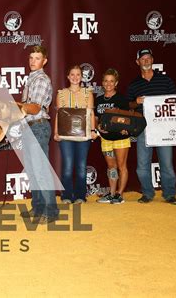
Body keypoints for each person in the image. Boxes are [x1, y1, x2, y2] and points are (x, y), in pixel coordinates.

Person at [127, 48, 176, 205]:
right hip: (143, 129)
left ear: (152, 60)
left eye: (148, 58)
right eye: (142, 59)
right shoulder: (134, 85)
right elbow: (127, 106)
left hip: (164, 128)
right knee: (142, 165)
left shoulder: (165, 80)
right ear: (137, 62)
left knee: (167, 164)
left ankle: (170, 194)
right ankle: (147, 193)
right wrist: (135, 102)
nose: (146, 61)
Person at [19, 45, 58, 224]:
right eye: (31, 58)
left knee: (40, 170)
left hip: (38, 126)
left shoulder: (41, 79)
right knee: (33, 171)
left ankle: (51, 210)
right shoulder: (31, 79)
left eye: (37, 58)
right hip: (29, 127)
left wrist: (14, 107)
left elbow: (34, 108)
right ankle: (38, 207)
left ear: (44, 61)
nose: (33, 61)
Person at [54, 65, 98, 204]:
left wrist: (92, 130)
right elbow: (59, 115)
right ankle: (66, 195)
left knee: (81, 167)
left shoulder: (88, 93)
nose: (75, 77)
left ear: (81, 77)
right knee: (67, 166)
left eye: (78, 74)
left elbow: (91, 113)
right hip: (65, 136)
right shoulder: (61, 94)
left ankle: (80, 195)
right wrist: (56, 132)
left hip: (83, 136)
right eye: (72, 74)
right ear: (68, 77)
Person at [95, 68, 130, 204]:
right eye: (106, 81)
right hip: (106, 139)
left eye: (111, 81)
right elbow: (97, 119)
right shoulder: (98, 100)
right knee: (111, 167)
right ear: (102, 83)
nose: (108, 84)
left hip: (120, 138)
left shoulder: (121, 99)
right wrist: (98, 127)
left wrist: (124, 129)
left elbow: (127, 119)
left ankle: (119, 195)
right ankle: (112, 192)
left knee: (122, 166)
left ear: (116, 83)